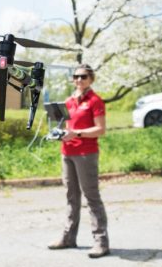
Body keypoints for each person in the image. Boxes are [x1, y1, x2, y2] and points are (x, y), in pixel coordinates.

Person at [47, 64, 110, 258]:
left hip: (86, 154)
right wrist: (61, 134)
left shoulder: (95, 101)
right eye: (75, 76)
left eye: (83, 77)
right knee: (71, 196)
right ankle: (68, 238)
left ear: (91, 79)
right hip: (67, 152)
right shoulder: (68, 101)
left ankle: (101, 242)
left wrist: (78, 133)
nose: (79, 80)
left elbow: (100, 129)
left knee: (91, 197)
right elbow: (68, 127)